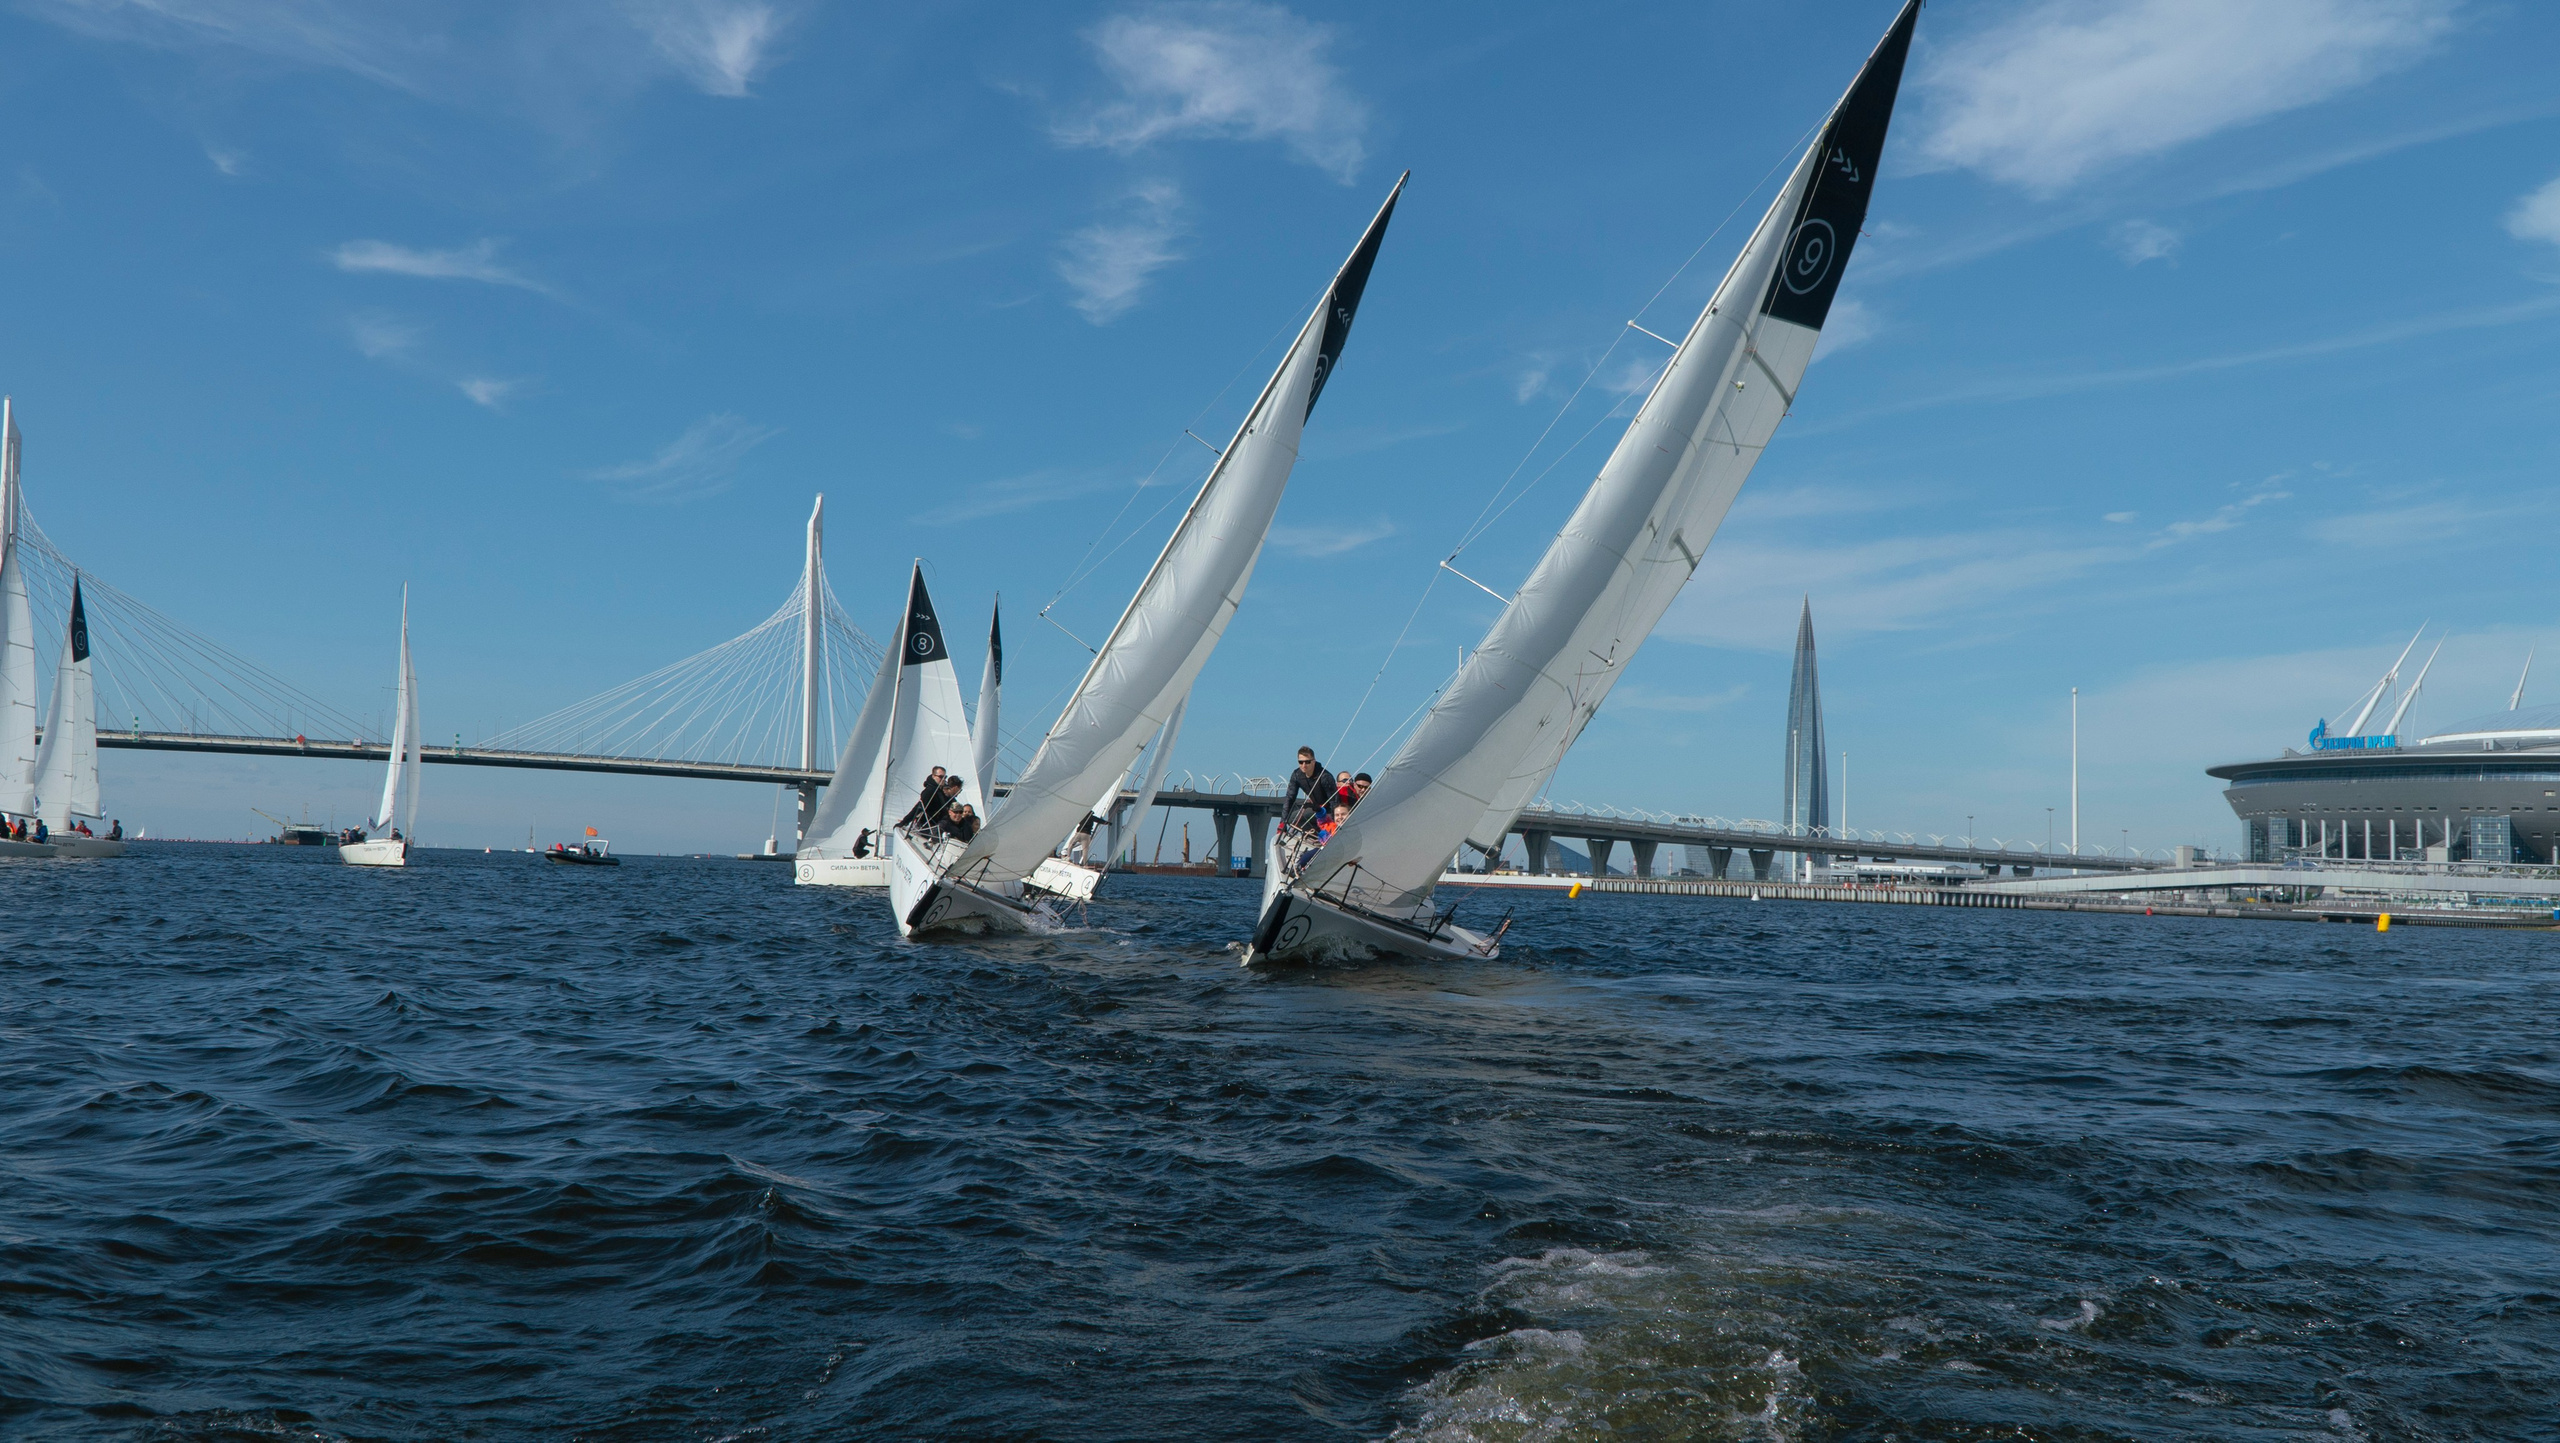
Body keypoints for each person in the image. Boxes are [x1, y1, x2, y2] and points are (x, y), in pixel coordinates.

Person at [1282, 747, 1336, 832]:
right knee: (1291, 818)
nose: (1304, 765)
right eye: (1300, 762)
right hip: (1315, 809)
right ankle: (1314, 834)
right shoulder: (1297, 775)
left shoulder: (1325, 776)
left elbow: (1334, 802)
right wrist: (1282, 823)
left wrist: (1333, 824)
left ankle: (1323, 833)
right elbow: (1289, 798)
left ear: (1313, 761)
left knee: (1325, 820)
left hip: (1328, 811)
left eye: (1307, 762)